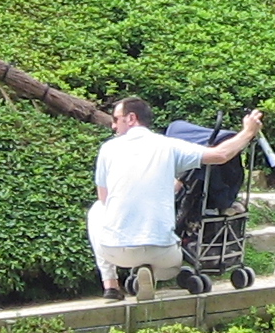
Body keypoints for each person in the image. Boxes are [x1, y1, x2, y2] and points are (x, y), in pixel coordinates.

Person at [89, 95, 262, 298]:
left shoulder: (108, 149)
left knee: (97, 210)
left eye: (116, 119)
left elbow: (104, 198)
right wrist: (248, 131)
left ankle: (111, 285)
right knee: (170, 266)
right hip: (161, 252)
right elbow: (220, 155)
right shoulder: (168, 146)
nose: (113, 126)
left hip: (117, 251)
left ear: (131, 118)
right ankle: (152, 272)